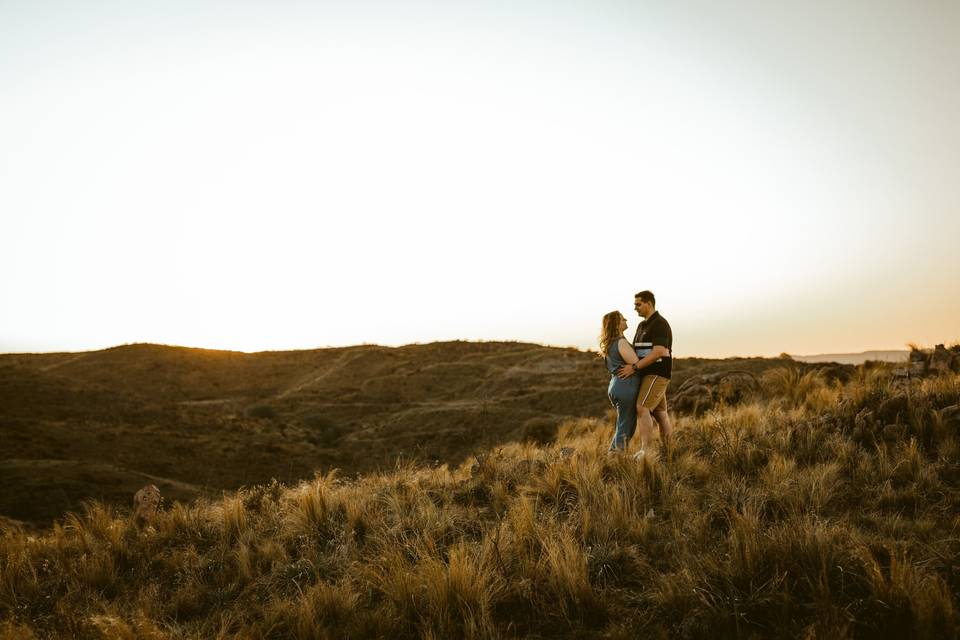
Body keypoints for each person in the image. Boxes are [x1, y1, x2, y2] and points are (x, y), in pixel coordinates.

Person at [617, 290, 674, 460]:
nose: (635, 308)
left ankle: (646, 452)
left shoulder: (660, 324)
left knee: (642, 408)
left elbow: (658, 352)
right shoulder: (642, 326)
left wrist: (634, 368)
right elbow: (637, 350)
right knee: (660, 413)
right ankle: (669, 452)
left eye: (638, 304)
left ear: (649, 303)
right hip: (646, 374)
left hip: (657, 374)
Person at [599, 310, 645, 452]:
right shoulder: (621, 342)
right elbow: (636, 364)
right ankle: (614, 457)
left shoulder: (610, 343)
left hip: (616, 386)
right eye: (622, 318)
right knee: (627, 426)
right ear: (616, 323)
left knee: (623, 424)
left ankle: (614, 455)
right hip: (626, 386)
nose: (626, 320)